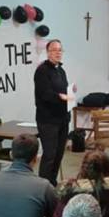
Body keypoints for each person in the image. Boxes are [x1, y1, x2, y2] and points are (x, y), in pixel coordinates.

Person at [34, 39, 74, 186]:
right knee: (49, 154)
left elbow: (62, 90)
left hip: (63, 118)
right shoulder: (42, 71)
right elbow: (45, 94)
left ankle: (52, 183)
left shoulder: (61, 70)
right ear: (48, 52)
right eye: (54, 50)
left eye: (60, 50)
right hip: (48, 120)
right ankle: (43, 186)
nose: (58, 52)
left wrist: (70, 91)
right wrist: (60, 96)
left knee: (59, 154)